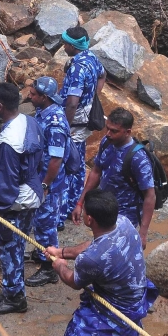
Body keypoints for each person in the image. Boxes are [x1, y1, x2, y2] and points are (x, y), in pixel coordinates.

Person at [46, 189, 157, 336]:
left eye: (84, 212)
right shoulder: (123, 223)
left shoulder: (90, 260)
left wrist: (59, 265)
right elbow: (95, 245)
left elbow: (73, 281)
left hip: (116, 316)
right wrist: (62, 252)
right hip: (135, 302)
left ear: (90, 220)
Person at [0, 82, 44, 315]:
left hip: (15, 201)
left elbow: (6, 187)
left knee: (8, 247)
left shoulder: (9, 142)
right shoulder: (30, 121)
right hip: (31, 193)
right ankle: (13, 288)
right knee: (18, 245)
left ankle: (15, 296)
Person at [73, 108, 156, 245]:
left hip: (126, 214)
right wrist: (80, 203)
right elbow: (96, 172)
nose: (108, 134)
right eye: (108, 129)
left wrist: (142, 233)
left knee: (113, 249)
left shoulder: (138, 158)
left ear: (127, 132)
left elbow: (150, 195)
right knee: (102, 244)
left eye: (114, 131)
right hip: (106, 208)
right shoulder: (107, 142)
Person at [26, 77, 72, 287]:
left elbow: (55, 159)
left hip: (49, 181)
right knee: (39, 220)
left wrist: (44, 185)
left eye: (34, 94)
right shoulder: (43, 112)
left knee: (46, 223)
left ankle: (49, 268)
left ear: (44, 97)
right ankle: (41, 252)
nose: (29, 96)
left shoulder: (54, 122)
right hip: (40, 176)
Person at [59, 26, 106, 227]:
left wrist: (64, 126)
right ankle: (74, 203)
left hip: (75, 120)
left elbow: (71, 101)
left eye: (65, 43)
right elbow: (103, 75)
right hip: (85, 115)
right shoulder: (91, 58)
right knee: (77, 159)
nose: (63, 46)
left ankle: (65, 209)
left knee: (68, 163)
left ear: (72, 45)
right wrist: (94, 95)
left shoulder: (78, 68)